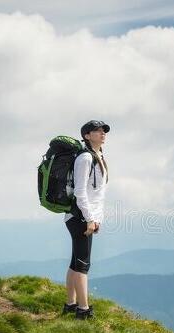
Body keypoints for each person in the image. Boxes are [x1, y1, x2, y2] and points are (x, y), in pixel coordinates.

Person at [63, 120, 109, 320]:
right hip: (80, 217)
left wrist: (96, 219)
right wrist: (90, 219)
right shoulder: (85, 158)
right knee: (83, 265)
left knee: (76, 263)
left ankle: (70, 304)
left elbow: (96, 194)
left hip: (84, 217)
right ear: (87, 135)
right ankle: (83, 310)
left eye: (103, 131)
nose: (102, 133)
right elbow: (81, 192)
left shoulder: (98, 156)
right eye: (97, 131)